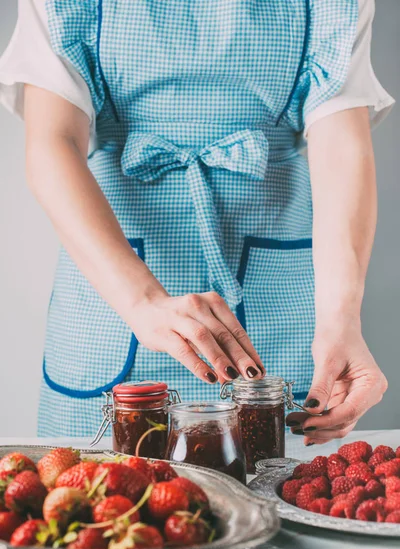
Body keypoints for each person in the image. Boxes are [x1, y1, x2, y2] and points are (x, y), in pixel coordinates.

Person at [0, 0, 394, 442]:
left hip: (275, 302)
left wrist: (341, 318)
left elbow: (341, 148)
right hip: (114, 289)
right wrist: (142, 303)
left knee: (272, 485)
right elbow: (53, 142)